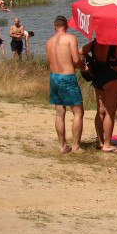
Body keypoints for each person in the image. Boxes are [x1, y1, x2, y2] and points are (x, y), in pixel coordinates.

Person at [45, 16, 85, 154]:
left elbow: (49, 62)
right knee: (78, 112)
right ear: (66, 26)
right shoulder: (70, 38)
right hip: (67, 77)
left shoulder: (49, 42)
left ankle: (63, 145)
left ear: (54, 26)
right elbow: (76, 59)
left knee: (60, 113)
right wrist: (84, 68)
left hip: (53, 76)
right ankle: (76, 146)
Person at [81, 39, 117, 152]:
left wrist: (89, 59)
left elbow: (81, 51)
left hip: (98, 78)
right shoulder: (116, 44)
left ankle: (100, 141)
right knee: (110, 112)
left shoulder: (95, 42)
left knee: (100, 110)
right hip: (111, 78)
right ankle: (107, 144)